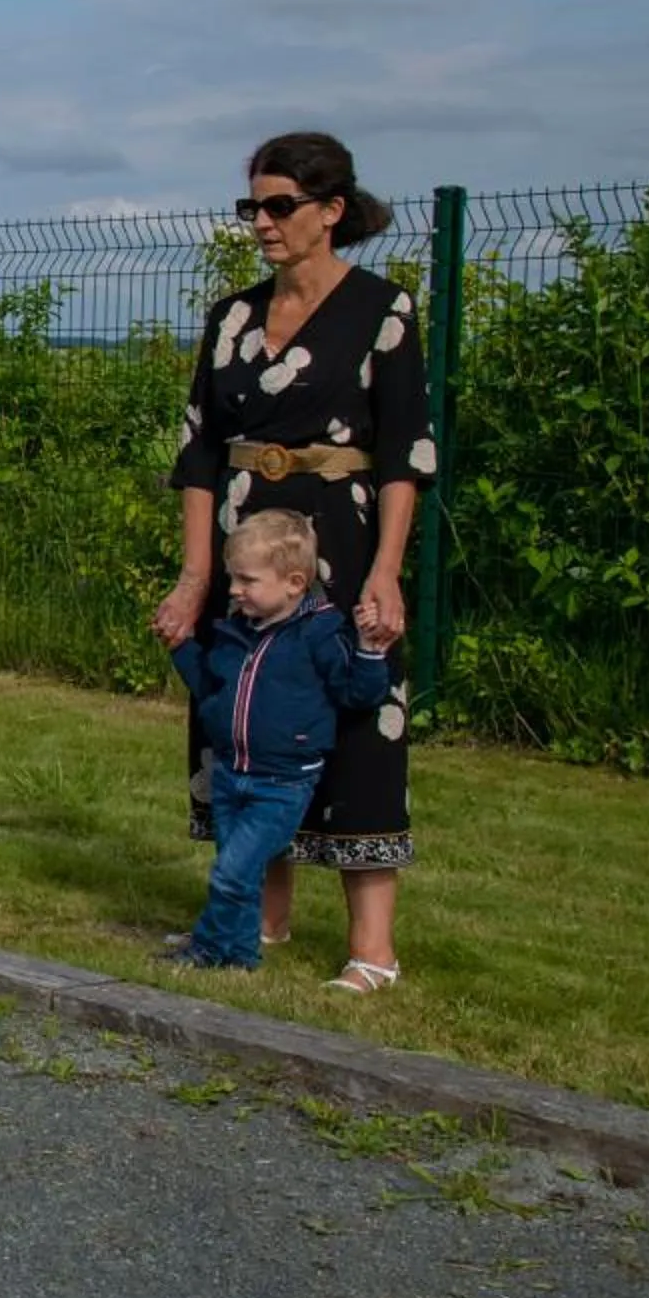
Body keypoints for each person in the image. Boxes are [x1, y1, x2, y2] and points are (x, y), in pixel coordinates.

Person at [152, 132, 435, 994]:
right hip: (245, 551)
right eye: (254, 207)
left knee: (360, 722)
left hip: (341, 547)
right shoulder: (231, 319)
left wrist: (386, 570)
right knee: (245, 721)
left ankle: (372, 950)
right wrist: (197, 577)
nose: (262, 223)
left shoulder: (383, 310)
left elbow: (405, 454)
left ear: (331, 211)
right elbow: (199, 454)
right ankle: (260, 918)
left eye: (280, 206)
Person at [163, 512, 396, 968]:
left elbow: (357, 694)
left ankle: (207, 949)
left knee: (231, 872)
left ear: (294, 583)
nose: (234, 590)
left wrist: (371, 652)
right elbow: (210, 687)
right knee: (241, 874)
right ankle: (239, 956)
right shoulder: (236, 633)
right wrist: (181, 648)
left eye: (247, 580)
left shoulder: (319, 634)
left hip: (282, 784)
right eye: (233, 578)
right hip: (231, 773)